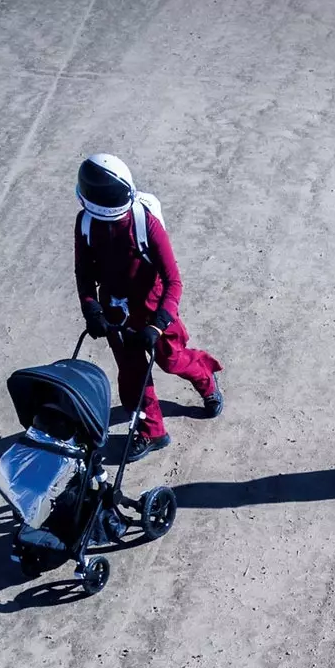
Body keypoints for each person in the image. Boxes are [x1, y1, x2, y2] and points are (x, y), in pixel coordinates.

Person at [74, 154, 224, 463]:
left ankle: (206, 379)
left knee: (173, 360)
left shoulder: (147, 226)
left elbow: (173, 281)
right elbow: (84, 274)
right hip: (116, 313)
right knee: (131, 375)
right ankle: (151, 431)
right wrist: (92, 310)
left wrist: (158, 325)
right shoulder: (86, 223)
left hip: (155, 310)